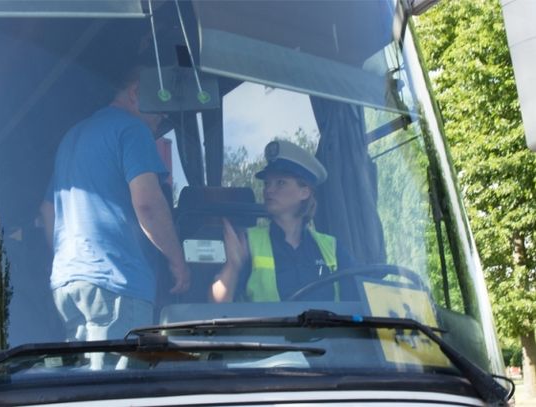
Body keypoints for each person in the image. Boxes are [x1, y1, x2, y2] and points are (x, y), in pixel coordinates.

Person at [40, 68, 190, 352]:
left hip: (67, 283)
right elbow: (147, 204)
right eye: (159, 109)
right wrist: (177, 261)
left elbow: (48, 210)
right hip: (117, 283)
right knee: (117, 385)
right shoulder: (133, 129)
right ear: (135, 93)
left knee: (83, 383)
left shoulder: (72, 136)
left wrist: (72, 261)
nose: (160, 120)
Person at [211, 140, 354, 302]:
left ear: (304, 192)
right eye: (267, 183)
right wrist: (233, 268)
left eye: (280, 183)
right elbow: (216, 305)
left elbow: (359, 301)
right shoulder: (246, 242)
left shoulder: (333, 248)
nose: (268, 190)